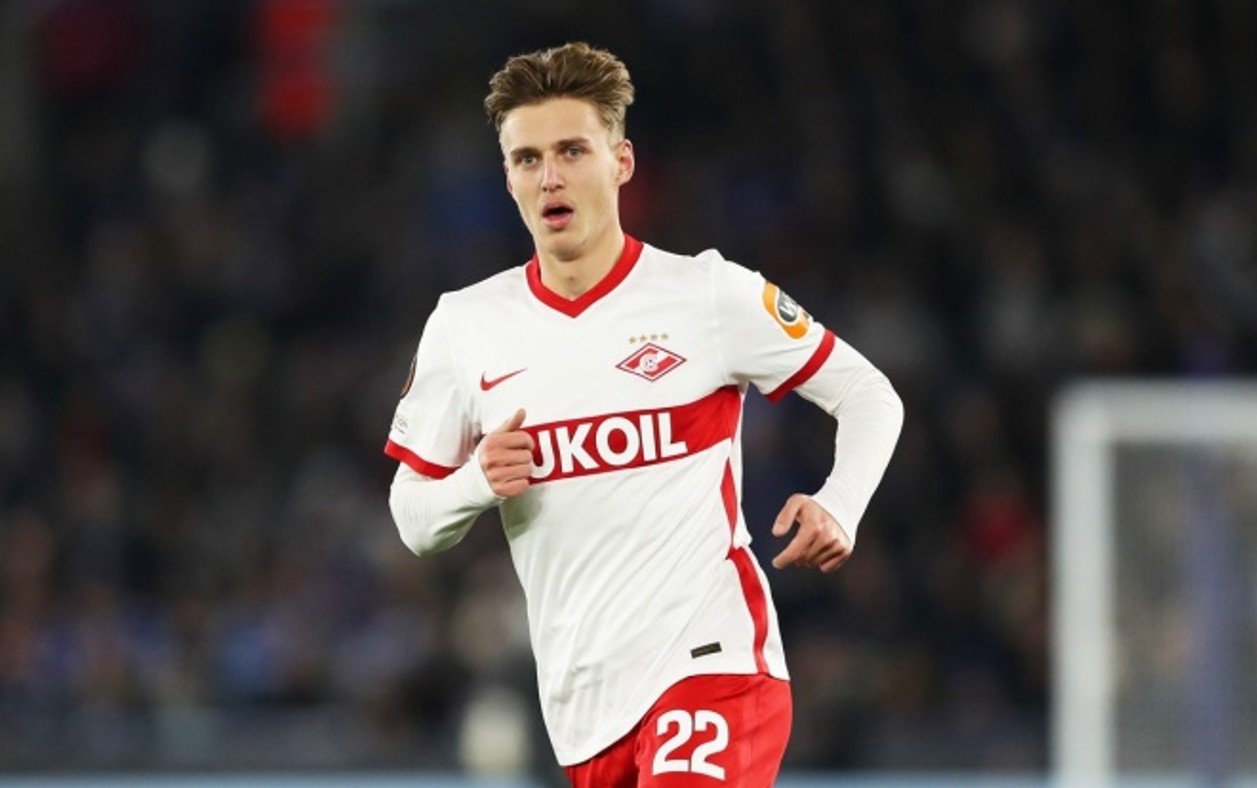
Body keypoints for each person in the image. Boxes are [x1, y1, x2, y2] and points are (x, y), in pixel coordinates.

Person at [385, 42, 903, 786]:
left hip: (713, 664)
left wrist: (841, 504)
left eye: (572, 151)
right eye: (529, 159)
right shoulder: (466, 325)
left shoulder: (707, 295)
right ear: (508, 178)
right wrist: (476, 482)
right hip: (584, 704)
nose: (551, 176)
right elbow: (413, 518)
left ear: (621, 161)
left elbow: (869, 395)